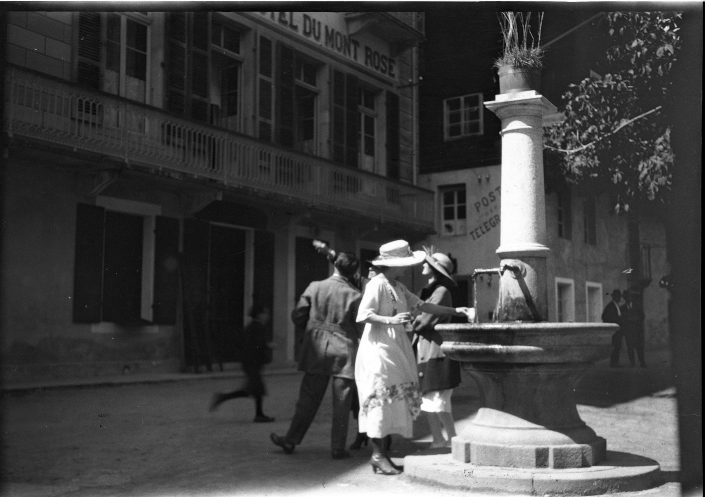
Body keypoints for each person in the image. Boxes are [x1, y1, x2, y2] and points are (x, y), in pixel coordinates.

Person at [354, 240, 474, 475]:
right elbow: (363, 315)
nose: (409, 267)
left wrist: (454, 311)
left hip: (395, 346)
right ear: (395, 264)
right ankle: (378, 454)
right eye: (405, 263)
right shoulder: (377, 285)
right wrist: (390, 320)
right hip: (379, 346)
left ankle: (383, 453)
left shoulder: (398, 287)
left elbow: (424, 306)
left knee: (390, 398)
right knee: (379, 395)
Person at [270, 250, 363, 459]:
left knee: (308, 400)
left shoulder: (315, 287)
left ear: (335, 266)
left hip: (316, 349)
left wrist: (312, 330)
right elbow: (360, 328)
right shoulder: (356, 295)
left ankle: (291, 440)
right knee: (342, 402)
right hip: (345, 351)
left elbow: (298, 316)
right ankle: (338, 448)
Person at [412, 251, 465, 449]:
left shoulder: (441, 291)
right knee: (432, 399)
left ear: (435, 268)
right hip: (428, 350)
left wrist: (412, 318)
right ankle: (444, 439)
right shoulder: (430, 290)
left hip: (436, 351)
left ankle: (445, 439)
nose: (423, 266)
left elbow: (422, 320)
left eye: (426, 263)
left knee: (436, 399)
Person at [209, 304, 274, 422]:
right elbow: (258, 345)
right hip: (252, 362)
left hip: (250, 362)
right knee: (256, 389)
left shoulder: (252, 327)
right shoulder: (257, 327)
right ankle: (258, 415)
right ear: (259, 314)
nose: (267, 316)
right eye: (265, 313)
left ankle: (223, 398)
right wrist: (268, 346)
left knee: (253, 389)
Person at [621, 290, 647, 368]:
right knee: (630, 347)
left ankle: (642, 362)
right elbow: (622, 319)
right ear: (624, 298)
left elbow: (642, 316)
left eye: (629, 297)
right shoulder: (622, 308)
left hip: (637, 330)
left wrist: (635, 320)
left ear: (631, 297)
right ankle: (632, 363)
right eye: (625, 297)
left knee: (639, 347)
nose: (627, 298)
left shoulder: (637, 306)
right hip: (628, 331)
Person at [602, 289, 625, 367]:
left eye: (619, 297)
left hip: (618, 330)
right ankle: (613, 363)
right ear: (614, 297)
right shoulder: (610, 306)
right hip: (614, 330)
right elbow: (604, 316)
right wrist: (614, 323)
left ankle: (616, 362)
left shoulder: (616, 306)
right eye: (618, 297)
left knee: (618, 346)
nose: (619, 298)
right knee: (615, 346)